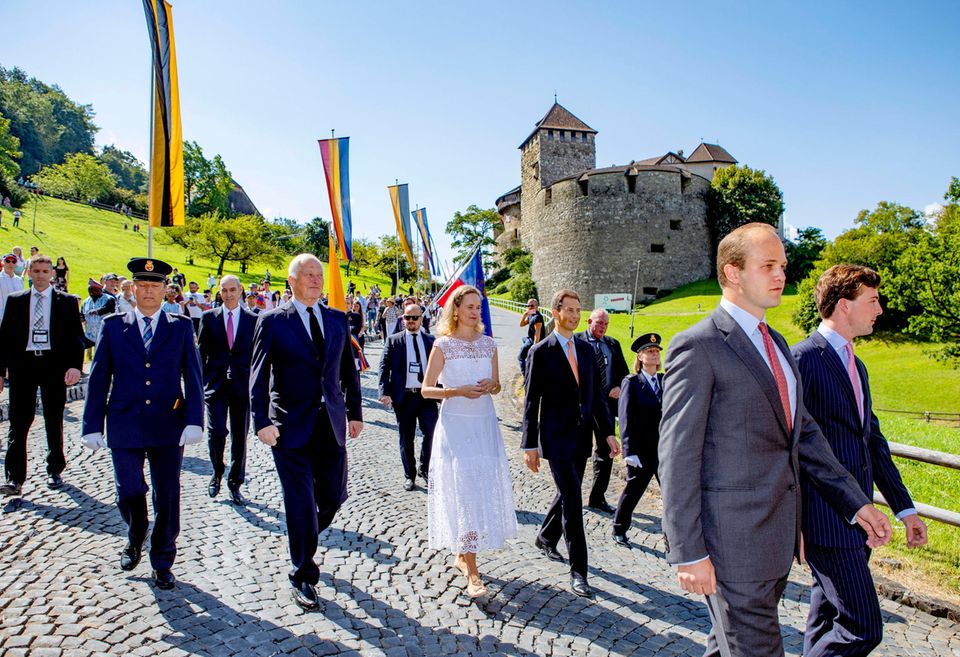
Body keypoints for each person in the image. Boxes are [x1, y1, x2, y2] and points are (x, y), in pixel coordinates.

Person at [657, 223, 893, 657]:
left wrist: (856, 502)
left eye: (782, 265)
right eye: (768, 266)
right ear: (731, 272)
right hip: (731, 545)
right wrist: (687, 551)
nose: (780, 275)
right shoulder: (698, 345)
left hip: (776, 539)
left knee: (723, 645)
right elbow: (677, 456)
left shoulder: (779, 344)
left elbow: (802, 434)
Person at [792, 264, 927, 657]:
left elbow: (873, 444)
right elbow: (791, 448)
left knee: (824, 620)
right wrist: (796, 522)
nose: (880, 309)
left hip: (859, 520)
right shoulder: (802, 360)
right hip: (825, 521)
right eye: (872, 301)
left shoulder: (857, 365)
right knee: (862, 628)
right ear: (843, 306)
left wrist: (905, 510)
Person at [80, 257, 204, 590]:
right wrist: (91, 424)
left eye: (155, 285)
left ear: (166, 290)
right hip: (124, 422)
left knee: (167, 495)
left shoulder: (179, 327)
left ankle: (162, 559)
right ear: (133, 289)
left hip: (168, 424)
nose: (148, 291)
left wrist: (195, 420)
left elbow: (192, 377)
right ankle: (136, 532)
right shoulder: (113, 325)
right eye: (143, 285)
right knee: (128, 490)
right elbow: (99, 377)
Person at [249, 253, 363, 611]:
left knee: (331, 498)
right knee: (299, 502)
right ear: (292, 280)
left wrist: (355, 413)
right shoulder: (272, 321)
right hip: (288, 429)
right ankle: (302, 573)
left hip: (330, 425)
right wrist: (261, 421)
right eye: (308, 274)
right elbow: (257, 377)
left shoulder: (336, 319)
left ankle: (306, 534)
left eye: (319, 274)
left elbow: (349, 372)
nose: (316, 280)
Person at [420, 285, 517, 597]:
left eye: (479, 306)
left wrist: (493, 384)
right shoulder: (443, 345)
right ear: (457, 309)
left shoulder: (489, 345)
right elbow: (426, 389)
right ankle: (472, 571)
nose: (476, 312)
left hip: (485, 425)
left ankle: (464, 554)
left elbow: (499, 386)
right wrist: (456, 391)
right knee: (463, 489)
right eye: (470, 306)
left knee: (478, 489)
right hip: (456, 425)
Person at [522, 288, 618, 598]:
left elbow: (597, 397)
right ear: (556, 312)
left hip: (582, 439)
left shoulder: (587, 350)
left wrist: (607, 431)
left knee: (568, 491)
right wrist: (529, 444)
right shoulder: (541, 351)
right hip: (555, 438)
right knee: (574, 501)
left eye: (579, 310)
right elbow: (531, 401)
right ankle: (580, 572)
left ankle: (546, 538)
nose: (576, 315)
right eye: (570, 310)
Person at [0, 254, 84, 496]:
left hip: (53, 365)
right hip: (23, 365)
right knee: (18, 421)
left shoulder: (66, 302)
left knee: (53, 418)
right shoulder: (15, 301)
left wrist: (74, 366)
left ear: (51, 274)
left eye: (44, 271)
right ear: (28, 273)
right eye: (35, 271)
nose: (40, 275)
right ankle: (14, 478)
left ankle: (54, 468)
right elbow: (4, 337)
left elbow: (76, 337)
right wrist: (0, 370)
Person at [197, 275, 257, 506]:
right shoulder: (209, 318)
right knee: (217, 432)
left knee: (240, 437)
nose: (229, 294)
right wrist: (202, 384)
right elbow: (200, 354)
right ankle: (217, 471)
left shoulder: (253, 320)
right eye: (225, 290)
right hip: (216, 386)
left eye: (233, 289)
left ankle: (235, 482)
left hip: (242, 387)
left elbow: (259, 357)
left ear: (241, 290)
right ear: (219, 292)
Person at [378, 302, 439, 491]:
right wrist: (384, 392)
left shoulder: (431, 340)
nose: (411, 321)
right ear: (402, 318)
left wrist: (444, 392)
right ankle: (409, 475)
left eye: (415, 317)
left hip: (426, 396)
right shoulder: (394, 340)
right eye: (407, 317)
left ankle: (425, 468)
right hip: (403, 397)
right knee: (406, 437)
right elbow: (383, 366)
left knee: (432, 433)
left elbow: (440, 367)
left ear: (421, 319)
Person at [611, 332, 663, 547]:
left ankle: (673, 536)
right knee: (633, 491)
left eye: (657, 351)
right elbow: (625, 418)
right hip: (641, 450)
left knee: (671, 495)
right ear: (640, 357)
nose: (654, 354)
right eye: (649, 351)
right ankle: (619, 528)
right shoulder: (631, 382)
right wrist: (628, 450)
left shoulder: (665, 380)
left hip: (663, 449)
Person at [575, 308, 629, 513]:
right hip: (583, 406)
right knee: (579, 451)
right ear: (589, 321)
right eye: (599, 323)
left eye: (606, 324)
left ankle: (598, 496)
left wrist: (618, 386)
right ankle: (571, 495)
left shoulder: (612, 344)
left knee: (606, 451)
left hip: (605, 405)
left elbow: (624, 373)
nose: (602, 327)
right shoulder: (577, 341)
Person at [80, 279, 117, 361]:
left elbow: (109, 308)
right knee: (78, 346)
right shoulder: (86, 301)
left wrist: (97, 311)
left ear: (100, 290)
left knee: (103, 355)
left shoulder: (109, 298)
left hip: (105, 333)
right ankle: (79, 368)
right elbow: (81, 315)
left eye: (94, 290)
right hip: (90, 334)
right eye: (90, 290)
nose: (92, 292)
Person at [518, 298, 545, 378]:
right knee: (523, 339)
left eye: (532, 306)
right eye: (528, 305)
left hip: (533, 340)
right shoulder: (530, 315)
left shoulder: (537, 317)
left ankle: (526, 377)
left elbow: (537, 334)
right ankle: (528, 359)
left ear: (536, 306)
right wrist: (524, 315)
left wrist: (534, 347)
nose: (529, 307)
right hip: (529, 338)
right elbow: (521, 324)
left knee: (520, 357)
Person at [1, 252, 24, 321]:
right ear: (3, 263)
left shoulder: (19, 280)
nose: (10, 263)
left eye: (13, 261)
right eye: (8, 261)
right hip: (1, 316)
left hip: (16, 317)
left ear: (16, 264)